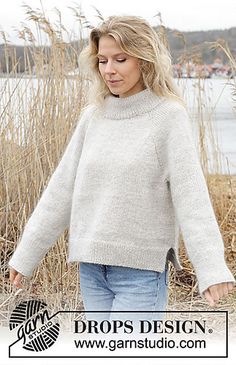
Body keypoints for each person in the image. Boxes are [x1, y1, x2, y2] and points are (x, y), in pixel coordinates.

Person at [9, 15, 235, 333]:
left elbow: (191, 195)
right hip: (91, 267)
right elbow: (61, 189)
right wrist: (27, 254)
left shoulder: (168, 115)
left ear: (143, 60)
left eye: (120, 59)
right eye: (102, 60)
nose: (109, 70)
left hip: (141, 272)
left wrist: (211, 267)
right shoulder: (93, 116)